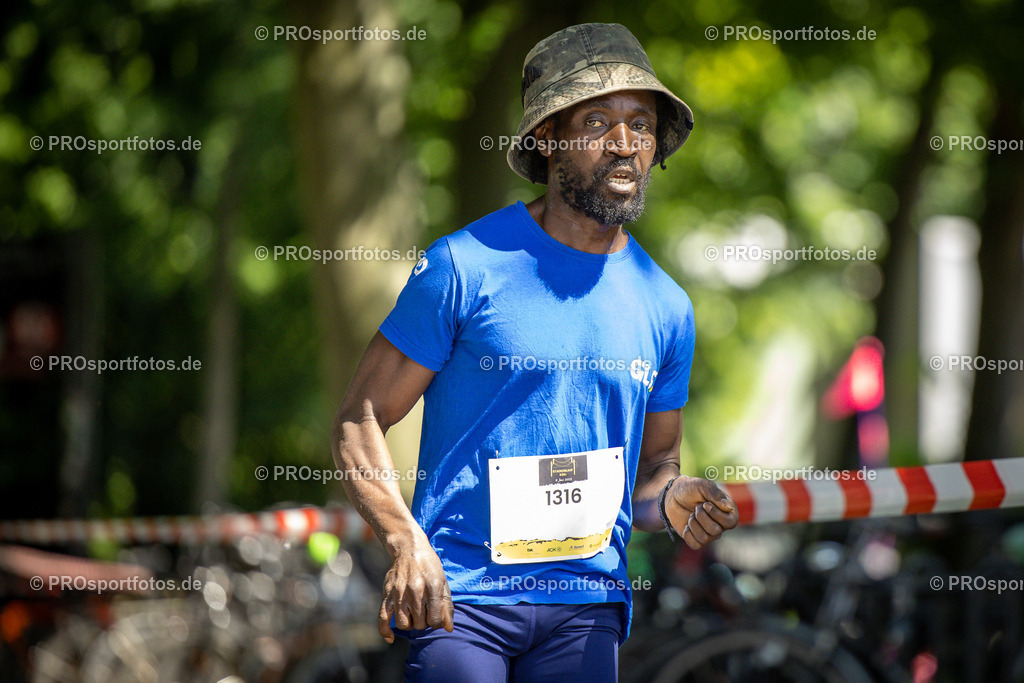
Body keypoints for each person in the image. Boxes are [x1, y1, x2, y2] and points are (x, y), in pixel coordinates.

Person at [331, 22, 739, 683]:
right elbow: (359, 418)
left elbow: (654, 468)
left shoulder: (667, 307)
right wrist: (404, 538)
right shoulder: (464, 266)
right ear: (546, 136)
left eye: (641, 123)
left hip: (587, 610)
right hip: (463, 602)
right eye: (599, 119)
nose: (625, 143)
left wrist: (671, 496)